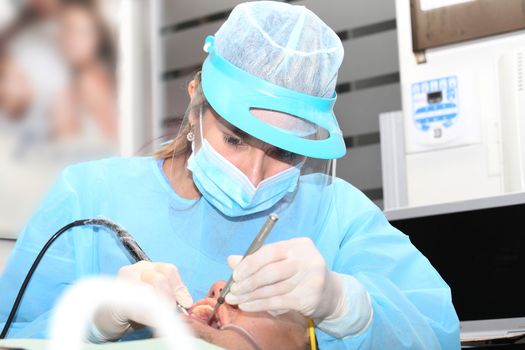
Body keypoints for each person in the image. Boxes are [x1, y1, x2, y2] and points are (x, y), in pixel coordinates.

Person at [0, 2, 460, 348]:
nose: (254, 177)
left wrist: (346, 307)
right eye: (235, 140)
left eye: (285, 152)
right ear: (196, 97)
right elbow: (14, 334)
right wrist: (95, 321)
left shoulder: (338, 216)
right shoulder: (88, 197)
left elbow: (437, 333)